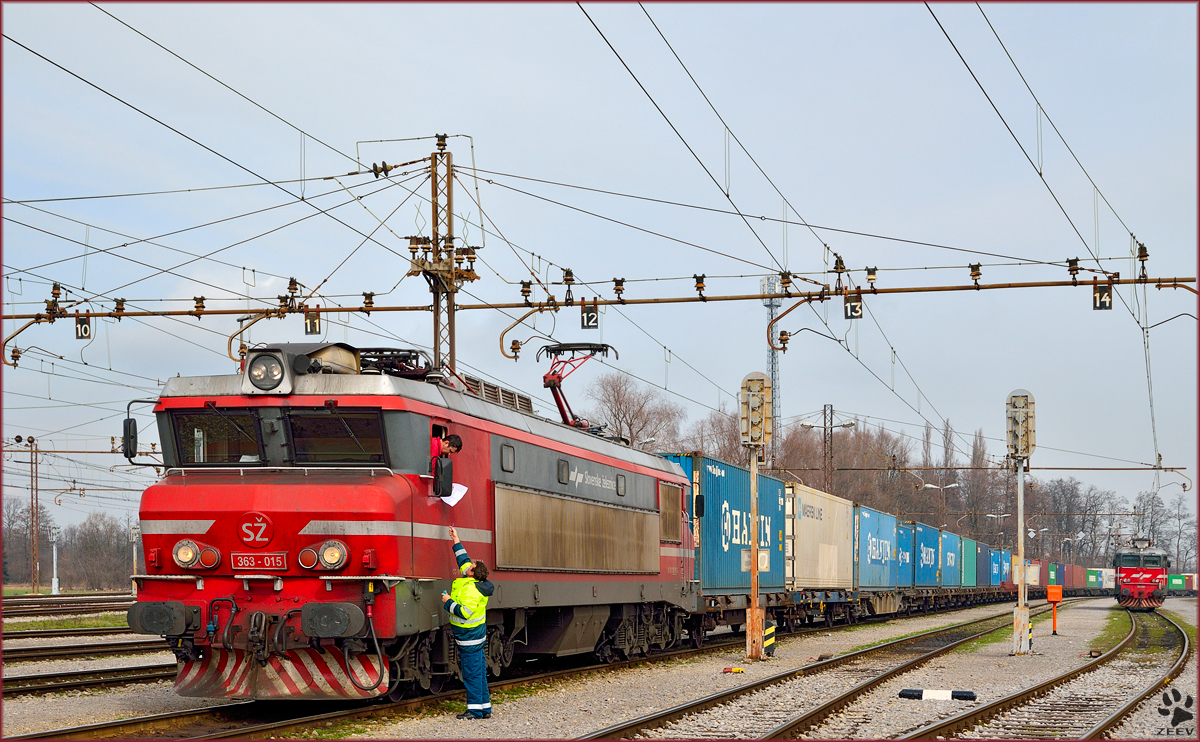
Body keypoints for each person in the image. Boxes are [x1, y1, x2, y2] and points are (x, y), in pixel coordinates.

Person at [441, 525, 494, 719]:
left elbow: (464, 612)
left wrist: (449, 602)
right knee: (479, 672)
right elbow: (462, 558)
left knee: (472, 674)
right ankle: (485, 709)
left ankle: (474, 711)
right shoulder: (474, 581)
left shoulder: (473, 591)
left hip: (469, 637)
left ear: (473, 573)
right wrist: (456, 538)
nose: (467, 565)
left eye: (470, 566)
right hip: (473, 635)